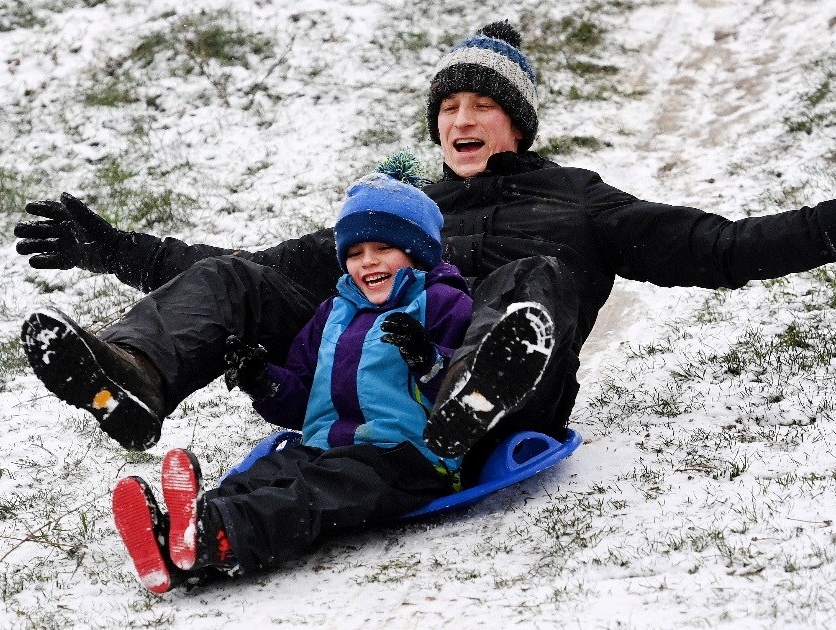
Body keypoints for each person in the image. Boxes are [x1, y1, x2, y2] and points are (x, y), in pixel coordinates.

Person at [15, 21, 836, 476]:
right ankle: (136, 375)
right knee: (238, 282)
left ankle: (475, 392)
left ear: (515, 122)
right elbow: (259, 272)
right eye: (448, 107)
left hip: (517, 379)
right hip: (388, 382)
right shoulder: (404, 211)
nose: (461, 119)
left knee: (526, 279)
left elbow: (720, 247)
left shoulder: (579, 203)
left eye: (480, 105)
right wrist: (118, 251)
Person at [103, 164, 552, 593]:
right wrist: (263, 379)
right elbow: (300, 397)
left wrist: (425, 357)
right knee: (264, 475)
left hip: (403, 457)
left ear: (417, 253)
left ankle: (218, 536)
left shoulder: (441, 302)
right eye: (354, 253)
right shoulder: (331, 314)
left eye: (383, 250)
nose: (367, 262)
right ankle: (178, 541)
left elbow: (457, 389)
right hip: (322, 445)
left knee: (308, 496)